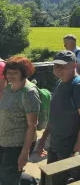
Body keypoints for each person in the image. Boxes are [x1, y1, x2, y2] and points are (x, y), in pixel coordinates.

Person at [36, 51, 80, 185]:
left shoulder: (79, 87)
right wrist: (43, 139)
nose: (58, 70)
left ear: (74, 65)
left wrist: (76, 150)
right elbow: (55, 114)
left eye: (62, 66)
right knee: (50, 177)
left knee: (66, 180)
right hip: (56, 142)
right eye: (56, 66)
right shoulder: (60, 84)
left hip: (69, 146)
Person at [0, 57, 39, 185]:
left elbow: (32, 126)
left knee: (8, 180)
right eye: (8, 72)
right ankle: (33, 182)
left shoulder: (29, 92)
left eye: (15, 73)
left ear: (24, 72)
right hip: (4, 141)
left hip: (17, 145)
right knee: (5, 175)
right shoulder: (8, 88)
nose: (10, 76)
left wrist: (24, 153)